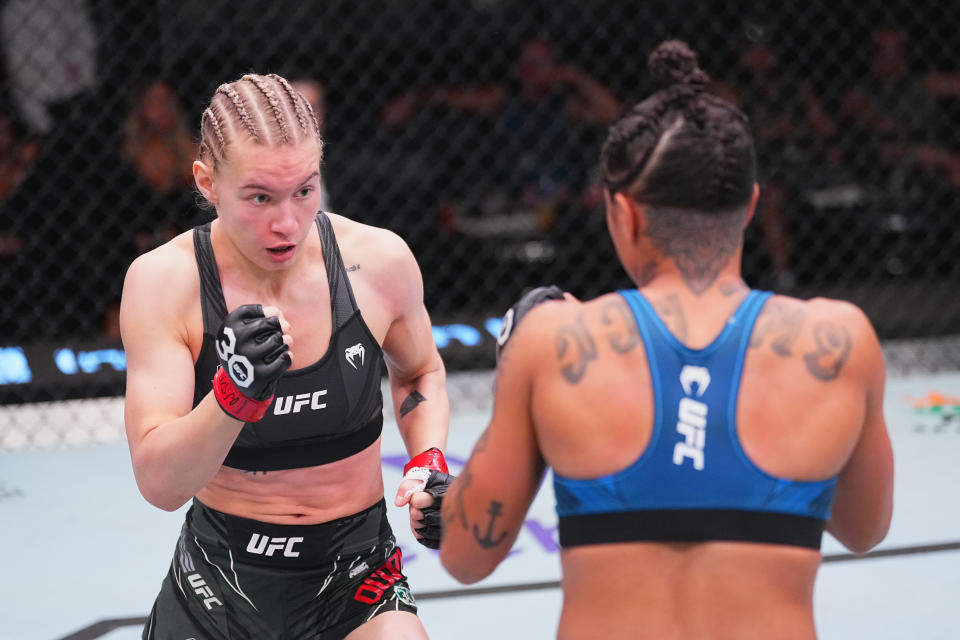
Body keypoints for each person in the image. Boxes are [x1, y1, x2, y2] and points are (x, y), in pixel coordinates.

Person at [438, 41, 894, 639]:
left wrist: (515, 375)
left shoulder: (553, 341)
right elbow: (864, 530)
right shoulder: (839, 340)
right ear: (751, 205)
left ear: (622, 213)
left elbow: (466, 556)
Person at [120, 73, 451, 639]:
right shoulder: (164, 283)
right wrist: (233, 396)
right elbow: (160, 485)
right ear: (207, 183)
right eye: (259, 197)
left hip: (357, 573)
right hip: (218, 582)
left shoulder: (377, 262)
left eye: (304, 190)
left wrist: (429, 461)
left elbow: (419, 370)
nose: (287, 223)